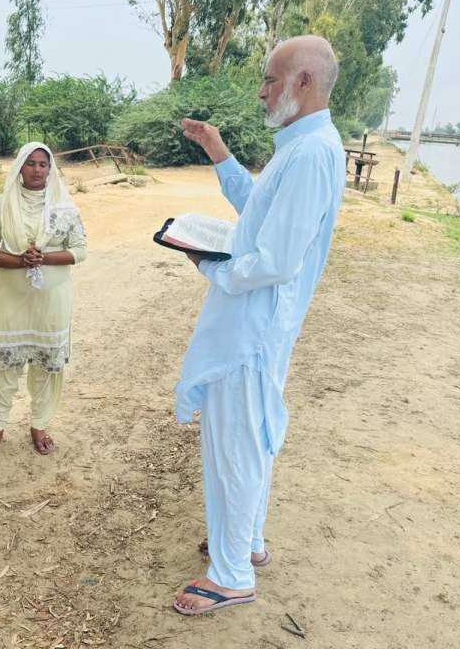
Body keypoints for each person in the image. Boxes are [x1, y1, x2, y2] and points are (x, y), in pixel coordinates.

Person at [172, 35, 345, 615]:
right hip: (254, 321)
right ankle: (243, 543)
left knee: (238, 444)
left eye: (271, 79)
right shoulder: (298, 147)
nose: (262, 90)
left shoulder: (313, 153)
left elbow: (275, 261)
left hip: (253, 326)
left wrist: (212, 264)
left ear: (303, 83)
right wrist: (220, 153)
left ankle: (231, 575)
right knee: (248, 437)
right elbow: (259, 213)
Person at [0, 142, 87, 458]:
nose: (38, 170)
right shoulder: (3, 203)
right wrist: (21, 261)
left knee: (47, 365)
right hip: (10, 297)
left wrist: (45, 258)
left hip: (51, 300)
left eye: (43, 164)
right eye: (31, 163)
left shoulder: (64, 205)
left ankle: (40, 425)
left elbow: (80, 250)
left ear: (51, 169)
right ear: (19, 168)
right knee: (2, 364)